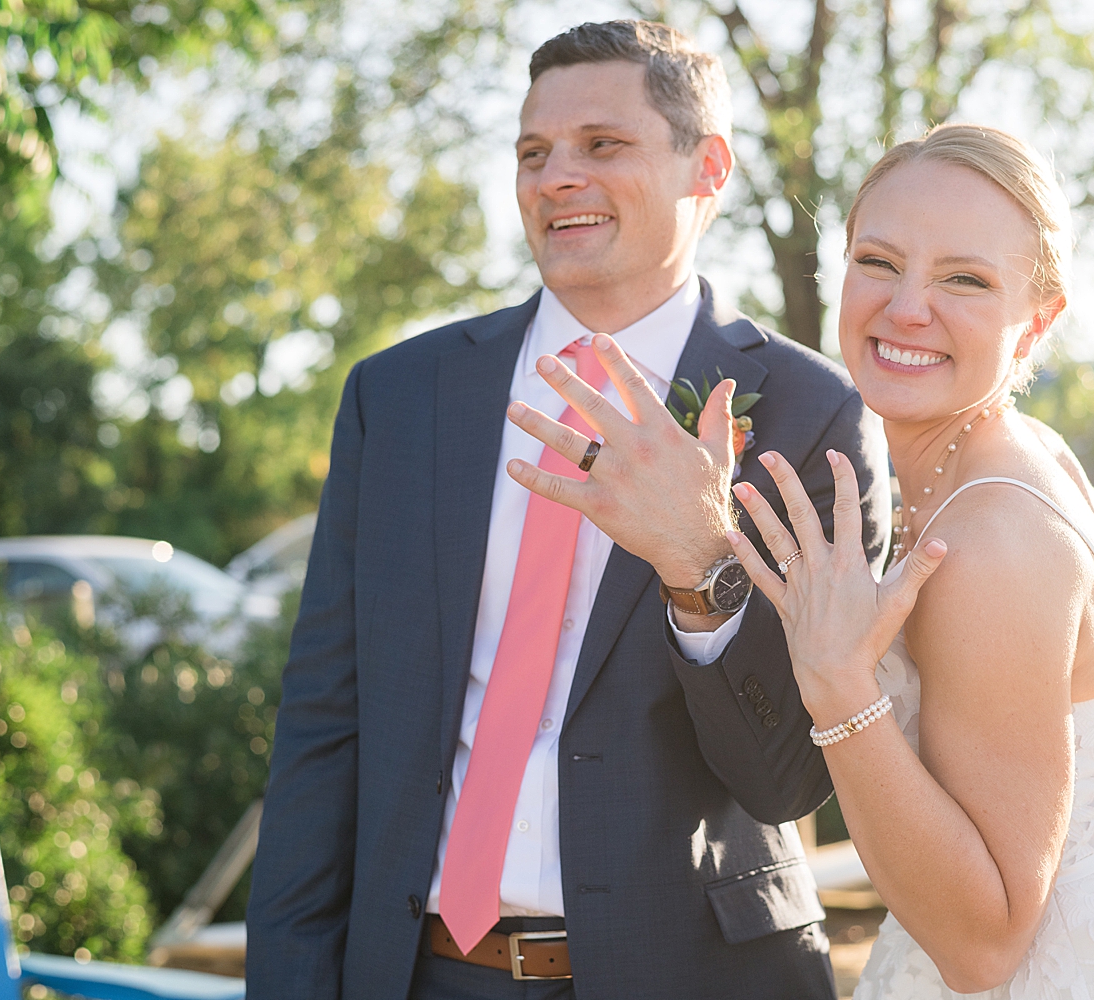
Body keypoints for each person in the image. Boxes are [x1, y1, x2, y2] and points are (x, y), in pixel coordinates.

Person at [244, 20, 889, 1000]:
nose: (555, 178)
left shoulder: (813, 413)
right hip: (422, 975)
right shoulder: (399, 397)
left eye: (602, 145)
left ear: (706, 168)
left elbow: (793, 779)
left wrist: (702, 567)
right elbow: (324, 728)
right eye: (534, 154)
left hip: (693, 977)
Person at [718, 124, 1094, 998]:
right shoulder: (1033, 453)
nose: (907, 307)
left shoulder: (985, 544)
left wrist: (838, 686)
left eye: (966, 279)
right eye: (878, 261)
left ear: (1038, 321)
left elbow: (985, 949)